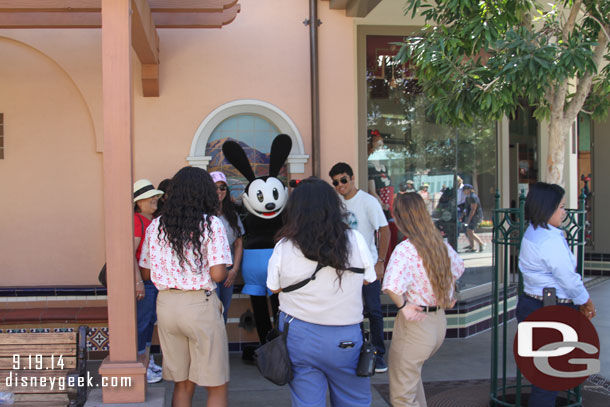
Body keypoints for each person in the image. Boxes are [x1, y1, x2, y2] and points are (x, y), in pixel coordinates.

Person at [267, 177, 377, 407]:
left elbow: (273, 288)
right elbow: (369, 280)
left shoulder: (284, 246)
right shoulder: (355, 240)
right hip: (346, 336)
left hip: (299, 336)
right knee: (354, 400)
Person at [139, 167, 232, 407]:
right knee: (216, 384)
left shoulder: (155, 226)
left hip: (167, 306)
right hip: (199, 305)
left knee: (182, 383)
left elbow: (147, 272)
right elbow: (218, 274)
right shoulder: (211, 224)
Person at [517, 182, 596, 407]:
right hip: (550, 310)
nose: (564, 212)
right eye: (561, 207)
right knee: (548, 378)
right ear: (546, 207)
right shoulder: (548, 240)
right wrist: (586, 301)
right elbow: (567, 278)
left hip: (534, 305)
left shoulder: (536, 232)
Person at [383, 193, 465, 407]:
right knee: (411, 380)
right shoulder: (440, 245)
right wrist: (450, 293)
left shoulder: (405, 250)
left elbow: (391, 286)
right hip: (438, 324)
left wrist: (403, 306)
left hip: (416, 325)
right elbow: (458, 269)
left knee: (402, 395)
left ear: (399, 218)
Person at [329, 162, 390, 372]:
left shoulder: (367, 202)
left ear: (352, 178)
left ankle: (379, 355)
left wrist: (380, 261)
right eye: (336, 182)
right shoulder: (335, 203)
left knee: (373, 311)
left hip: (368, 266)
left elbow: (384, 229)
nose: (340, 185)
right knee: (350, 312)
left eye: (343, 180)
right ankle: (355, 352)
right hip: (344, 268)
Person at [132, 179, 165, 384]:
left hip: (154, 281)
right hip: (145, 282)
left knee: (149, 321)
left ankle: (147, 361)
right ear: (139, 201)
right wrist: (138, 282)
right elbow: (130, 252)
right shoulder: (137, 220)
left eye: (155, 196)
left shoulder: (152, 220)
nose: (155, 199)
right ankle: (139, 364)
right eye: (149, 197)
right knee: (143, 323)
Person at [210, 171, 245, 323]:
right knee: (212, 312)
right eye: (215, 187)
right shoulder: (203, 214)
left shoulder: (232, 215)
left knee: (224, 312)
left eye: (222, 187)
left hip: (228, 272)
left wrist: (235, 270)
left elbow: (238, 243)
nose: (219, 191)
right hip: (209, 272)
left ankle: (221, 346)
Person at [462, 184, 485, 252]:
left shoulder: (473, 197)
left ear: (469, 189)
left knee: (470, 231)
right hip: (471, 215)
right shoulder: (468, 197)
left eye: (464, 189)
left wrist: (469, 219)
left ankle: (481, 243)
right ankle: (472, 247)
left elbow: (473, 209)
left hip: (475, 216)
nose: (463, 191)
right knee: (468, 231)